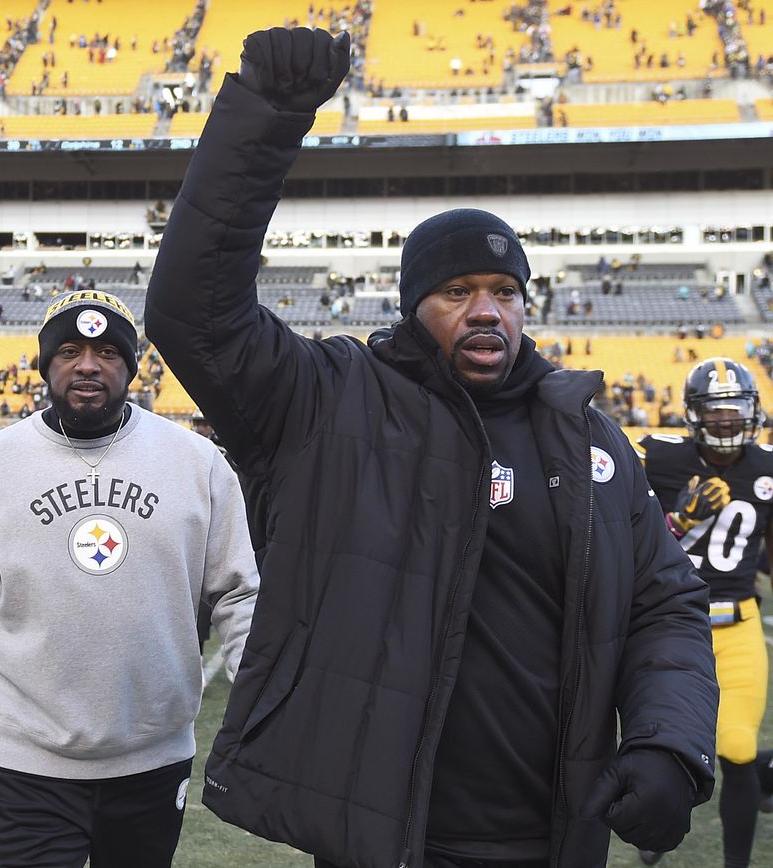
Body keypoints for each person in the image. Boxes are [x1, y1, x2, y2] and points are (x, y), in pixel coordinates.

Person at [144, 27, 718, 868]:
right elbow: (194, 313)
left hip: (555, 837)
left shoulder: (592, 440)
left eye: (505, 292)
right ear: (416, 306)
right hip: (384, 839)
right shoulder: (332, 405)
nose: (487, 311)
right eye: (457, 291)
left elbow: (663, 604)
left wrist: (670, 741)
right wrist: (266, 118)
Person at [0, 289, 259, 868]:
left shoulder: (198, 464)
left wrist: (259, 708)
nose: (88, 365)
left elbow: (239, 595)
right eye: (69, 350)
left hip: (151, 756)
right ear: (46, 365)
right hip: (23, 758)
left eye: (107, 353)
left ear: (131, 367)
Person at [635, 357, 773, 868]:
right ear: (694, 416)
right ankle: (654, 828)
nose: (726, 422)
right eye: (715, 412)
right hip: (670, 620)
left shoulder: (765, 469)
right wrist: (680, 517)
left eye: (735, 411)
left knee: (737, 746)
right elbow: (634, 543)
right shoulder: (662, 460)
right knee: (663, 744)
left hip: (738, 625)